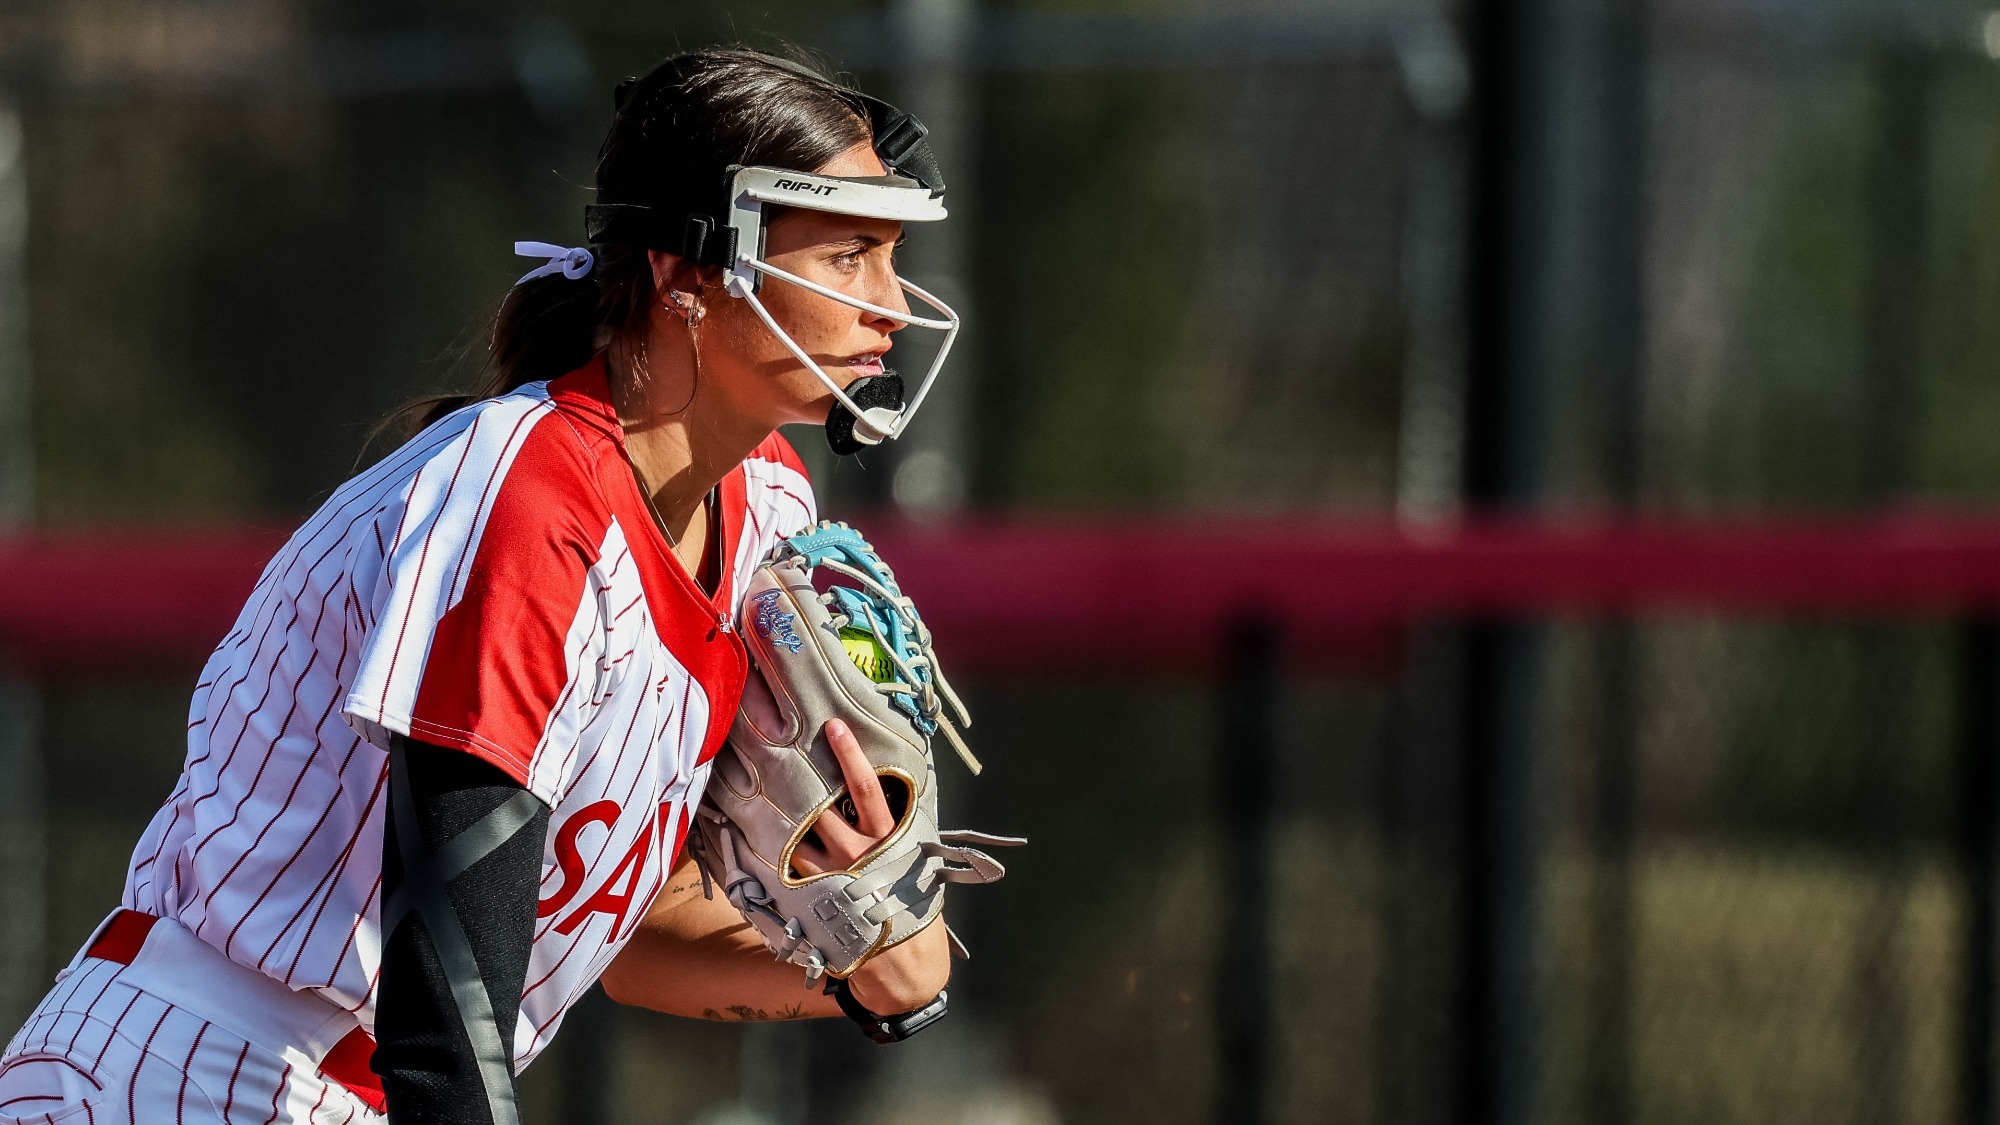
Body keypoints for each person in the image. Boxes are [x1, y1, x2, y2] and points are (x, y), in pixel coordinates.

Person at [0, 47, 966, 1124]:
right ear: (687, 271)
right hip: (202, 1071)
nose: (889, 300)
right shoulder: (532, 496)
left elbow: (609, 940)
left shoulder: (770, 507)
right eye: (847, 253)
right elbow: (445, 988)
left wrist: (867, 964)